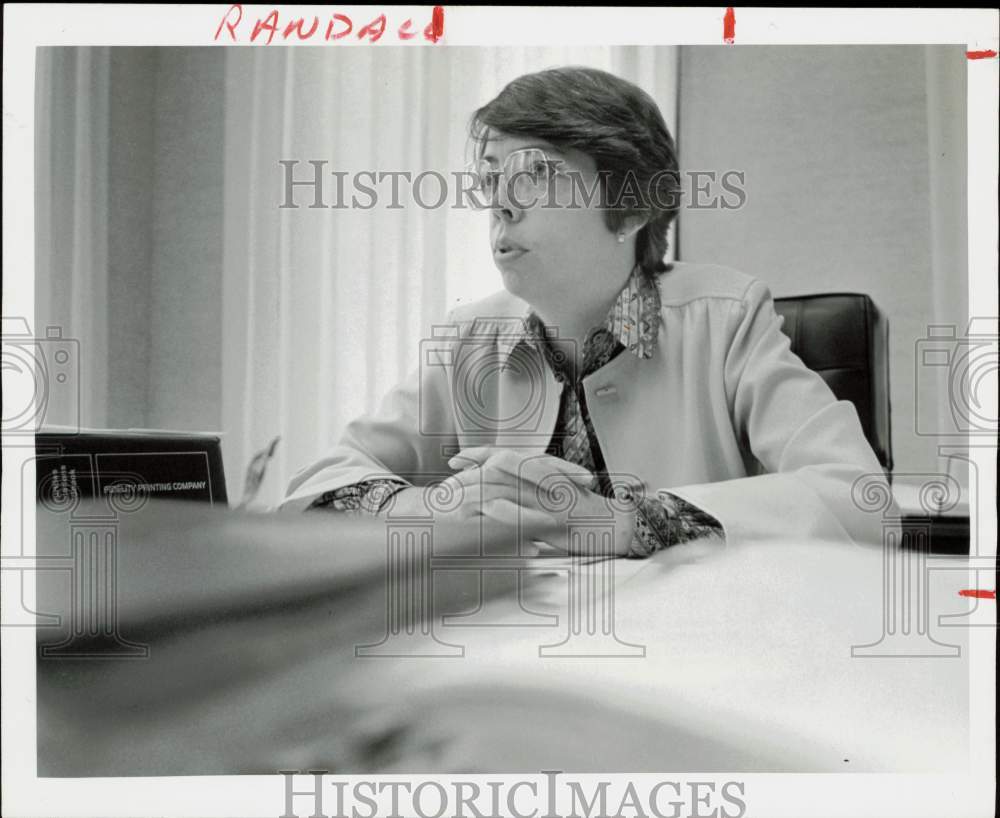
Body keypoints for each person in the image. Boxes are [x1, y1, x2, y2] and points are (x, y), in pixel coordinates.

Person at [281, 66, 889, 556]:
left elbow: (860, 499)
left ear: (629, 210)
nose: (501, 206)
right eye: (492, 180)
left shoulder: (727, 318)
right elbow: (314, 487)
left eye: (536, 175)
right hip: (511, 651)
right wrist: (432, 508)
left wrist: (623, 523)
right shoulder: (469, 338)